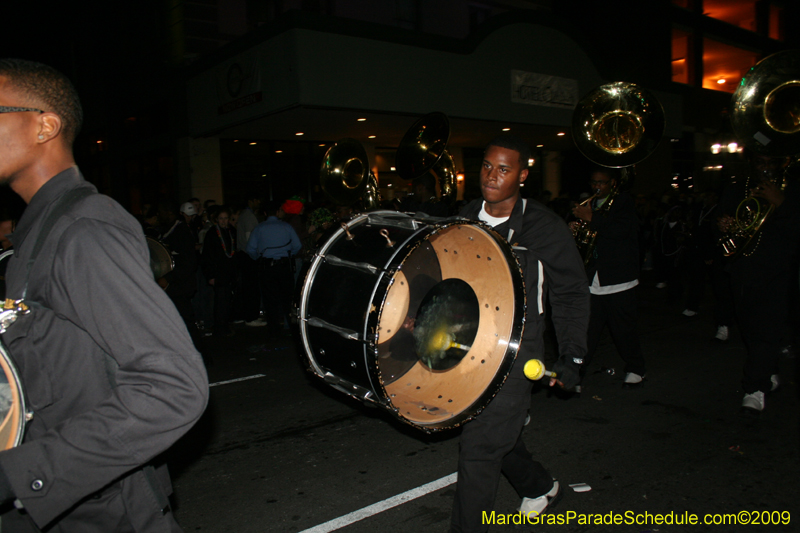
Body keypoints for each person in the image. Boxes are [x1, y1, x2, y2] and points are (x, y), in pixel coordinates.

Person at [0, 58, 208, 531]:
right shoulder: (37, 237)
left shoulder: (81, 230)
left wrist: (22, 477)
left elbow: (173, 387)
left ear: (45, 126)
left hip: (104, 517)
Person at [452, 134, 589, 532]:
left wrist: (573, 354)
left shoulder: (544, 228)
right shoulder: (467, 216)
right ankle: (540, 485)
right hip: (470, 343)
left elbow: (571, 294)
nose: (492, 177)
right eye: (487, 167)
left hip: (517, 349)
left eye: (504, 170)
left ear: (523, 175)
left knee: (478, 448)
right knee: (493, 431)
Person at [717, 153, 800, 413]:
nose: (765, 167)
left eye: (770, 162)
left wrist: (782, 204)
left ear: (780, 163)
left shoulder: (792, 189)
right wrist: (723, 224)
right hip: (743, 270)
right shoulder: (736, 188)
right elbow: (719, 219)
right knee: (751, 328)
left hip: (777, 271)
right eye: (760, 162)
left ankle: (754, 387)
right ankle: (769, 369)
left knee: (767, 327)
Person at [571, 168, 647, 389]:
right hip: (593, 280)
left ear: (613, 183)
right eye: (593, 182)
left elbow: (621, 231)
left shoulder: (624, 202)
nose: (597, 187)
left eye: (602, 183)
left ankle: (636, 368)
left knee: (624, 331)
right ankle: (577, 375)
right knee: (587, 333)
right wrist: (575, 229)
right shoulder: (590, 204)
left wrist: (591, 218)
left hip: (618, 279)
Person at [246, 200, 302, 339]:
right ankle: (293, 329)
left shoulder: (259, 228)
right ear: (278, 212)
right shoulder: (286, 227)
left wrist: (259, 256)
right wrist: (289, 255)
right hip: (284, 266)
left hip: (267, 267)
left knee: (270, 300)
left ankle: (274, 330)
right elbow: (297, 245)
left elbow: (250, 249)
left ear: (265, 213)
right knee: (288, 299)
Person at [201, 206, 237, 337]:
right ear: (216, 219)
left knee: (228, 300)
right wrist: (210, 275)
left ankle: (226, 324)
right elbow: (207, 256)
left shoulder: (231, 231)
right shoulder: (212, 233)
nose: (223, 221)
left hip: (229, 273)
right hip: (218, 273)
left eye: (226, 218)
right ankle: (220, 327)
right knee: (220, 301)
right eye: (221, 219)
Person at [236, 194, 265, 327]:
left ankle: (247, 315)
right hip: (249, 256)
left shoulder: (245, 215)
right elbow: (250, 238)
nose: (258, 202)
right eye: (256, 199)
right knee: (251, 287)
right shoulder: (248, 216)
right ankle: (251, 317)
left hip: (245, 255)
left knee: (248, 287)